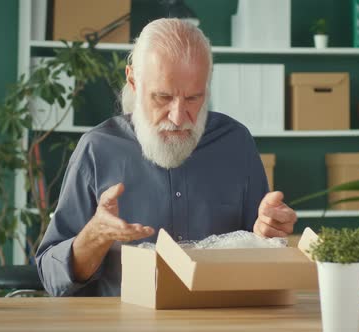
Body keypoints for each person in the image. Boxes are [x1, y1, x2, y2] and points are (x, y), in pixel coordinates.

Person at [36, 18, 297, 297]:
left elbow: (260, 253)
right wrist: (95, 236)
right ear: (133, 81)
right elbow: (51, 277)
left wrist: (266, 237)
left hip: (221, 319)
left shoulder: (235, 142)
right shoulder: (97, 149)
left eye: (194, 98)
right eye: (163, 97)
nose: (178, 117)